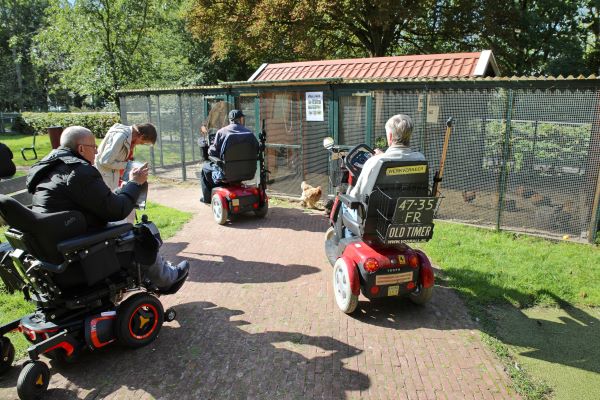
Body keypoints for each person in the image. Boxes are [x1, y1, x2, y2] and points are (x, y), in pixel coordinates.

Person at [25, 126, 189, 294]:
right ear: (81, 149)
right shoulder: (78, 172)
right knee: (140, 235)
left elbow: (96, 202)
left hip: (58, 246)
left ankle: (148, 275)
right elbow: (118, 210)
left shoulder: (51, 167)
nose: (96, 152)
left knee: (124, 230)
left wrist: (121, 191)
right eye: (93, 147)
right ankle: (167, 279)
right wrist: (135, 183)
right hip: (79, 250)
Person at [349, 114, 425, 202]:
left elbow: (356, 196)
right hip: (406, 212)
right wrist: (383, 155)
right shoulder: (420, 158)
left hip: (375, 214)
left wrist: (381, 157)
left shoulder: (373, 162)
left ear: (390, 136)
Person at [199, 109, 259, 203]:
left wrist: (210, 147)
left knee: (205, 168)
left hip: (227, 172)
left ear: (230, 119)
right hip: (248, 171)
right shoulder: (249, 134)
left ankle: (207, 199)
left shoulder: (221, 132)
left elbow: (212, 153)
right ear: (241, 119)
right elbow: (256, 149)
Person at [95, 122, 157, 191]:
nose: (140, 144)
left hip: (110, 177)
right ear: (141, 136)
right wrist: (130, 165)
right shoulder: (121, 136)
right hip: (104, 179)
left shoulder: (128, 137)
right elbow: (105, 161)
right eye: (142, 143)